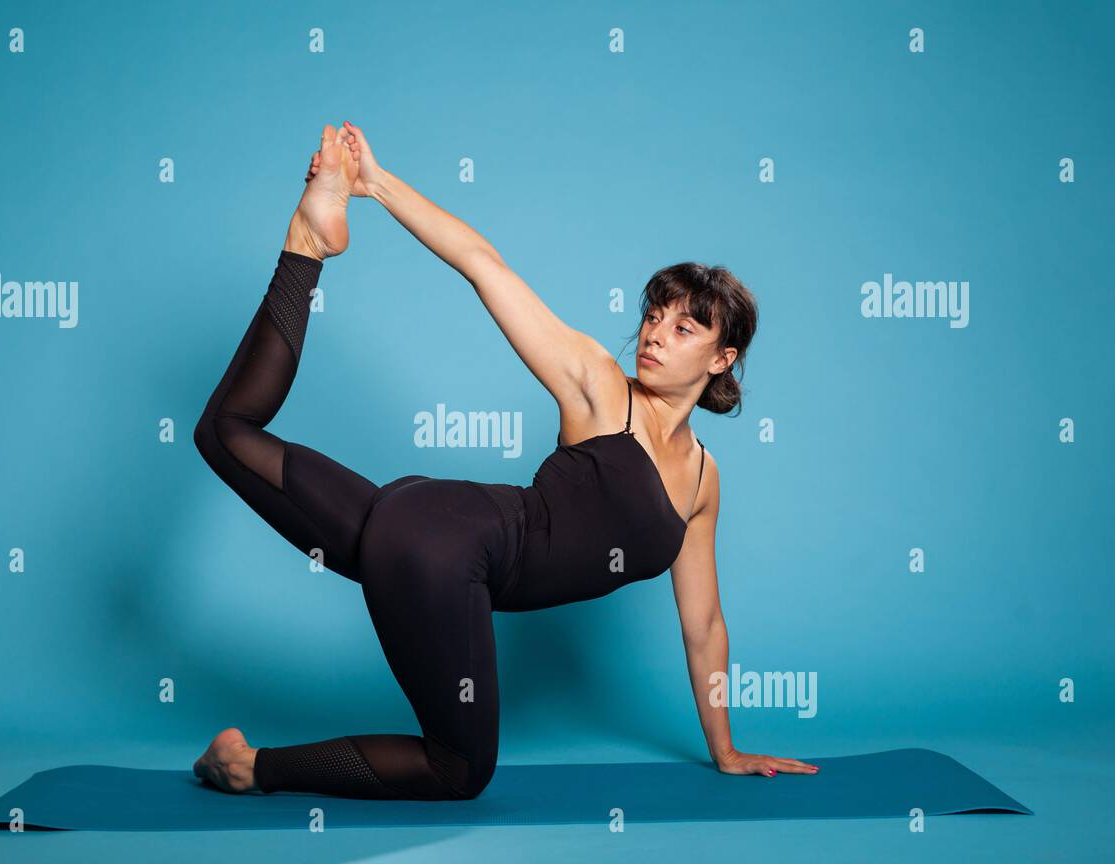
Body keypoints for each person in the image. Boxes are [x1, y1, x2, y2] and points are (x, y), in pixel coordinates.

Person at [191, 122, 817, 800]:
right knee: (457, 768)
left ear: (722, 359)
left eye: (684, 327)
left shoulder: (702, 480)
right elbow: (483, 263)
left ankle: (303, 245)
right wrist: (375, 184)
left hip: (417, 520)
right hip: (444, 545)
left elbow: (704, 625)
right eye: (655, 315)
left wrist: (724, 749)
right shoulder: (601, 387)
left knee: (227, 429)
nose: (655, 334)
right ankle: (252, 769)